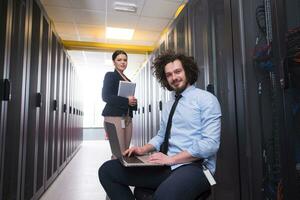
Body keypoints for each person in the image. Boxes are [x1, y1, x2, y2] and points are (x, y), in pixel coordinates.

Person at [99, 51, 221, 200]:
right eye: (169, 74)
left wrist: (172, 159)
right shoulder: (169, 104)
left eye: (177, 71)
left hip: (195, 167)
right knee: (107, 170)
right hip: (166, 165)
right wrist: (142, 149)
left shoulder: (206, 99)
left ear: (187, 71)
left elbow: (210, 144)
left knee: (163, 196)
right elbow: (161, 135)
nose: (174, 77)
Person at [102, 50, 137, 154]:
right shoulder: (110, 76)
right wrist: (127, 101)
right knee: (118, 153)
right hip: (114, 116)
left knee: (126, 151)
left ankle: (123, 170)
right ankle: (114, 170)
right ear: (114, 62)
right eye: (119, 60)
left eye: (125, 60)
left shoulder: (128, 80)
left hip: (127, 117)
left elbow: (128, 101)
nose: (123, 62)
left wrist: (133, 102)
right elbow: (105, 96)